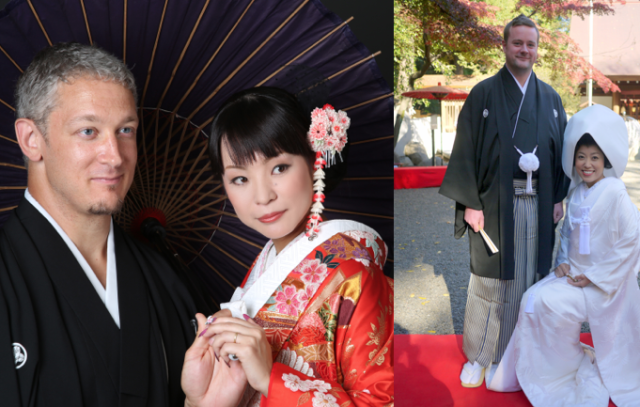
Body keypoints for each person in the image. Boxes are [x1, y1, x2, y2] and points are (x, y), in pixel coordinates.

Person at [0, 42, 244, 406]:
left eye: (126, 130)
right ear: (31, 139)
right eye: (88, 131)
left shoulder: (167, 277)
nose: (114, 156)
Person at [194, 87, 394, 407]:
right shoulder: (264, 267)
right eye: (239, 179)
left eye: (279, 168)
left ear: (315, 162)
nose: (262, 197)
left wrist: (268, 380)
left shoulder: (356, 274)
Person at [439, 14, 569, 387]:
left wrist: (559, 196)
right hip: (494, 204)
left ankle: (515, 354)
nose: (524, 50)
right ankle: (480, 356)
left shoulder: (551, 98)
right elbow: (465, 149)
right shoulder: (484, 93)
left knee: (529, 280)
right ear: (505, 45)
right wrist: (470, 203)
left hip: (540, 203)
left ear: (537, 50)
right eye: (518, 43)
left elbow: (561, 153)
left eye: (531, 44)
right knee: (490, 280)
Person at [487, 104, 640, 406]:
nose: (587, 164)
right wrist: (563, 263)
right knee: (533, 298)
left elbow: (632, 239)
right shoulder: (577, 192)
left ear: (605, 160)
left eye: (595, 158)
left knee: (550, 304)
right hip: (575, 274)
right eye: (581, 157)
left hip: (605, 285)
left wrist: (595, 276)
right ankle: (557, 366)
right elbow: (568, 236)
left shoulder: (615, 192)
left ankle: (564, 367)